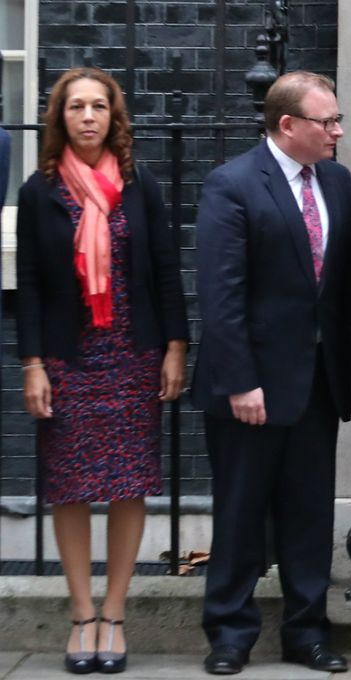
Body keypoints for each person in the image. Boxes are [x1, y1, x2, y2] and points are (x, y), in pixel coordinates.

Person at [16, 67, 188, 675]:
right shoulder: (40, 192)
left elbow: (166, 269)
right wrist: (32, 363)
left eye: (98, 107)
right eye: (75, 108)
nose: (87, 117)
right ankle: (81, 615)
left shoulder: (140, 186)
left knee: (127, 483)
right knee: (68, 486)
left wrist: (175, 346)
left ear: (114, 118)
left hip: (132, 354)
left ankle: (114, 615)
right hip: (68, 357)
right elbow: (30, 284)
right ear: (59, 118)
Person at [192, 71, 351, 676]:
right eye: (327, 122)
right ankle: (230, 634)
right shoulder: (231, 185)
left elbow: (345, 288)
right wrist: (240, 380)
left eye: (338, 120)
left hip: (317, 381)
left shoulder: (337, 183)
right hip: (251, 386)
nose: (338, 131)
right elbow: (220, 293)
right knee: (240, 512)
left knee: (309, 514)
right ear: (287, 126)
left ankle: (307, 632)